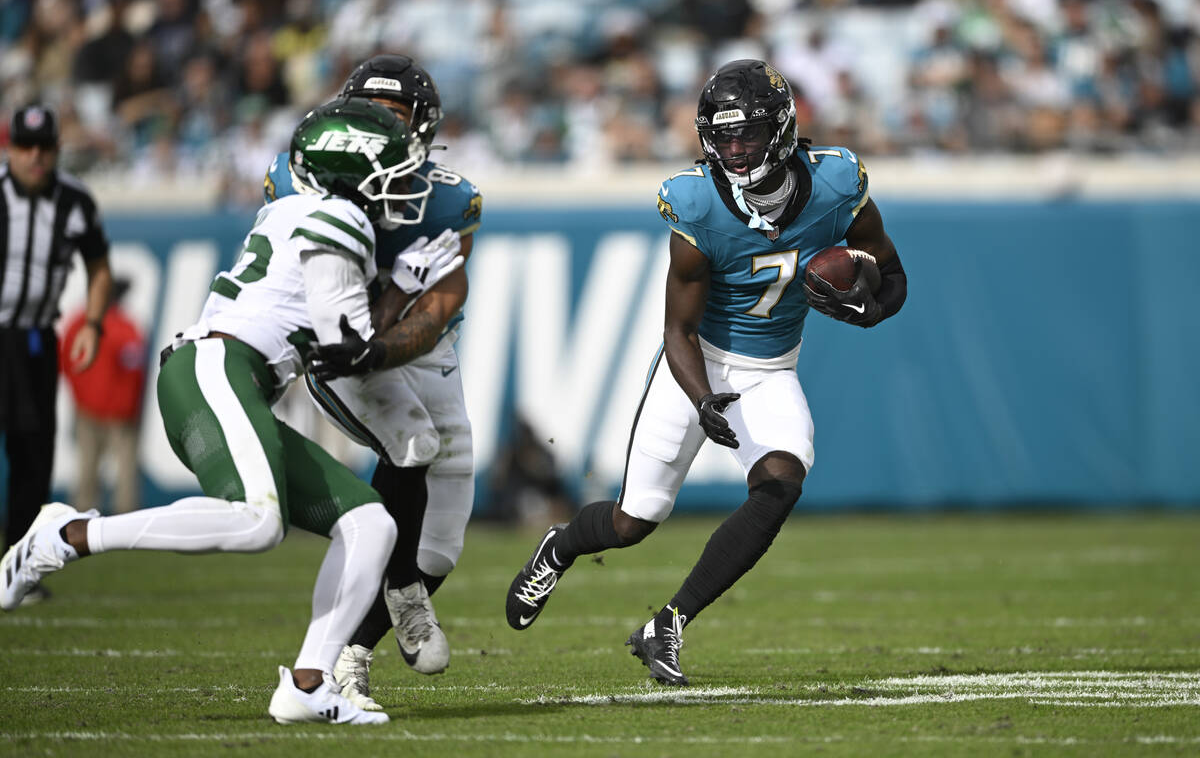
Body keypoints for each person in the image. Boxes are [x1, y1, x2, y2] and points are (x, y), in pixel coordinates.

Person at [0, 97, 461, 724]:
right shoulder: (341, 221)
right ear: (355, 175)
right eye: (392, 170)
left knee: (371, 525)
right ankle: (69, 534)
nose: (404, 184)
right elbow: (343, 353)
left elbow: (335, 339)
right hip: (218, 369)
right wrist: (405, 289)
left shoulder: (298, 208)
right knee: (256, 522)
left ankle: (306, 685)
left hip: (227, 376)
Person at [504, 59, 908, 685]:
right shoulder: (696, 203)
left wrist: (869, 307)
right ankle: (560, 547)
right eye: (722, 137)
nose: (735, 150)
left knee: (781, 481)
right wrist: (702, 399)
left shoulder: (836, 185)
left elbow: (894, 276)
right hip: (694, 365)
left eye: (746, 135)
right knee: (633, 520)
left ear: (780, 129)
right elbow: (678, 330)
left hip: (771, 369)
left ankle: (667, 624)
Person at [264, 55, 481, 711]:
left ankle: (362, 642)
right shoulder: (299, 176)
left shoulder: (447, 197)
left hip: (416, 348)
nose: (378, 132)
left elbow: (440, 304)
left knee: (441, 541)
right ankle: (368, 621)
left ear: (422, 128)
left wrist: (386, 337)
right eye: (371, 115)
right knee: (410, 450)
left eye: (395, 118)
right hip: (336, 343)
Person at [1, 104, 112, 604]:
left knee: (33, 451)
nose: (34, 157)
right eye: (25, 147)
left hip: (34, 338)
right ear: (10, 148)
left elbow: (99, 265)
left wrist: (91, 322)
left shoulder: (74, 201)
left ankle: (19, 569)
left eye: (43, 147)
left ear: (56, 149)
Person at [61, 276, 146, 514]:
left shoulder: (82, 323)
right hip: (111, 413)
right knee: (107, 472)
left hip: (105, 412)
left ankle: (81, 522)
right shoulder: (123, 327)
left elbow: (67, 364)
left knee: (97, 472)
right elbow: (136, 372)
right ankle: (119, 521)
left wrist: (81, 398)